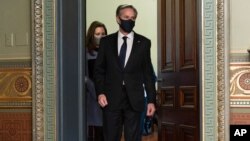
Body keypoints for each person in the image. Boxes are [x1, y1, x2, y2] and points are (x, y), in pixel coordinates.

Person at [94, 4, 156, 141]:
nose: (130, 20)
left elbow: (148, 73)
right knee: (110, 136)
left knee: (133, 138)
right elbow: (99, 70)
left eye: (133, 18)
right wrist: (100, 92)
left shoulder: (144, 43)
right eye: (126, 17)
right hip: (110, 98)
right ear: (118, 19)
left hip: (134, 99)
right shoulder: (106, 42)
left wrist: (151, 100)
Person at [85, 21, 107, 141]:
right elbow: (85, 77)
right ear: (91, 35)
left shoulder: (110, 52)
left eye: (103, 34)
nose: (100, 36)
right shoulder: (86, 53)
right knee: (95, 133)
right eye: (97, 34)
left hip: (110, 98)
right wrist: (98, 93)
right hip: (92, 99)